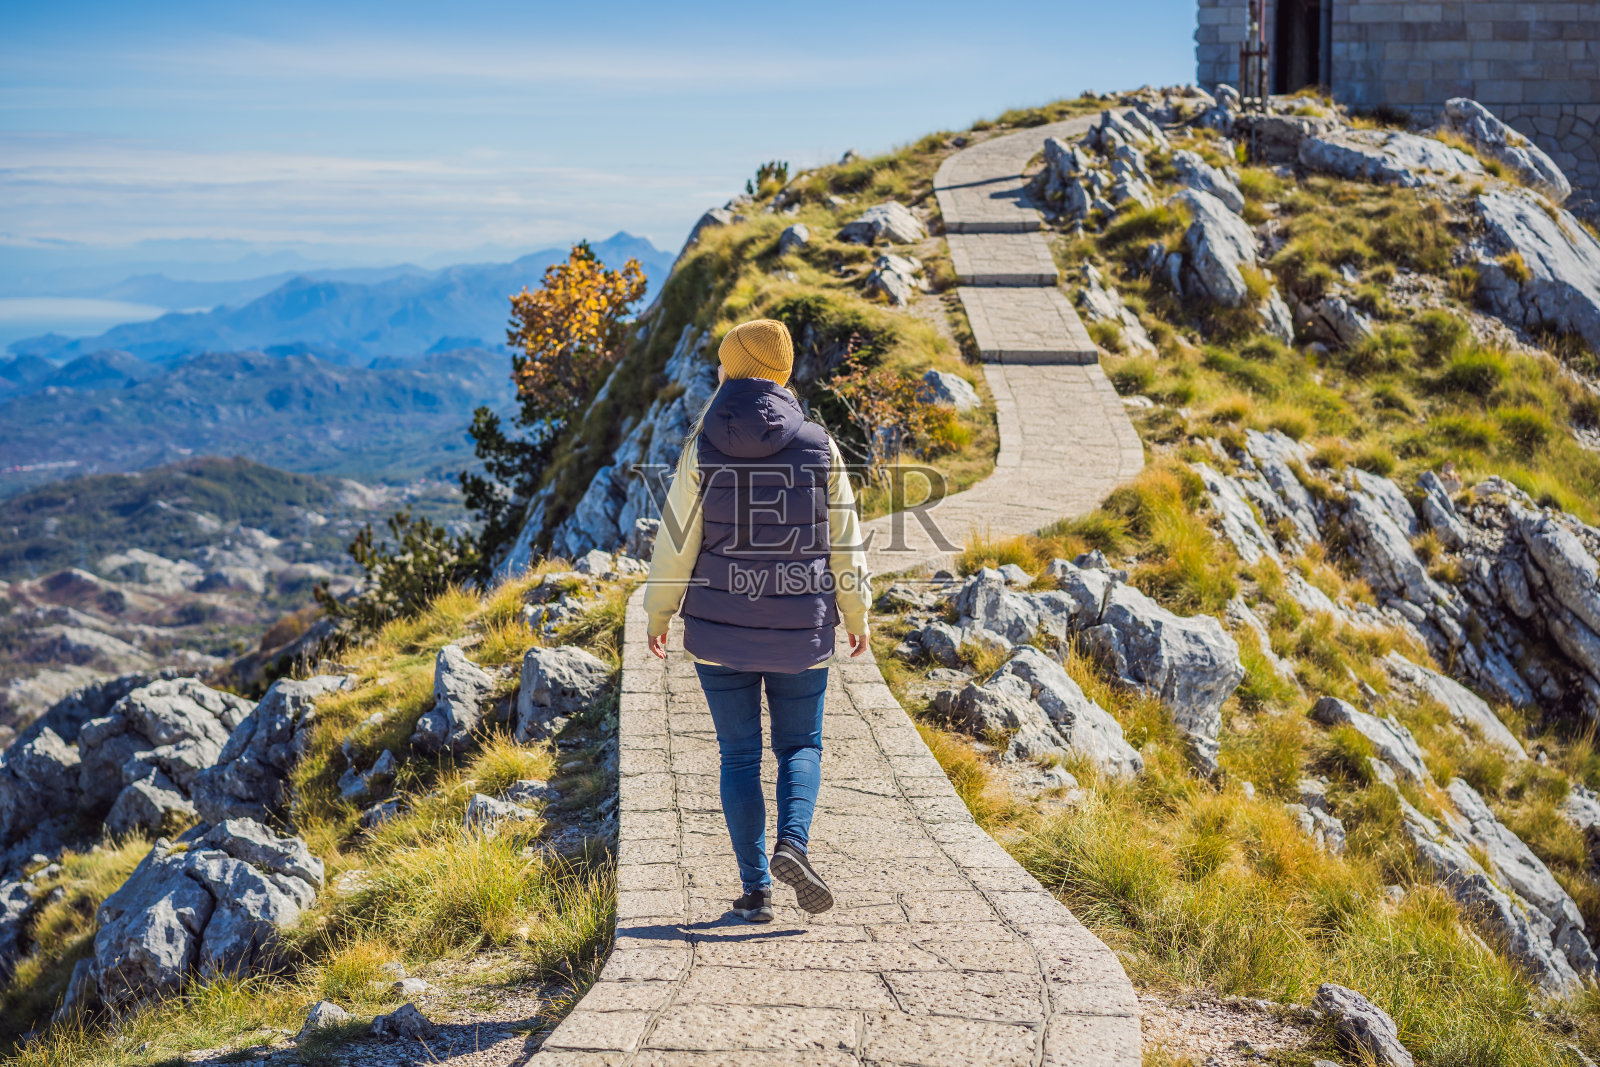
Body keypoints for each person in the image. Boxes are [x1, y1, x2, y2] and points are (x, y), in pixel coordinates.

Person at [643, 318, 871, 923]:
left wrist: (659, 611)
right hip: (802, 625)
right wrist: (856, 611)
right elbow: (844, 542)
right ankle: (792, 845)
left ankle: (757, 890)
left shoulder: (701, 445)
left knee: (738, 756)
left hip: (719, 628)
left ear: (738, 368)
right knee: (800, 745)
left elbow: (677, 541)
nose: (717, 371)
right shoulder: (820, 445)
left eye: (723, 362)